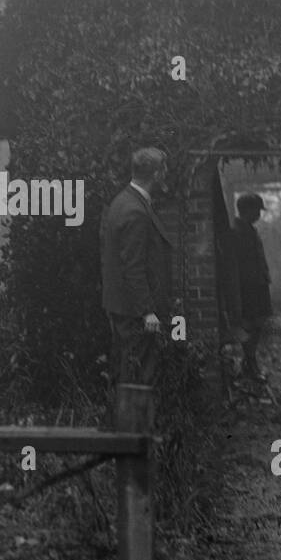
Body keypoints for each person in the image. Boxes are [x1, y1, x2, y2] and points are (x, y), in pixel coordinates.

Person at [100, 147, 173, 389]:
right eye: (164, 170)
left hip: (124, 307)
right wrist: (147, 311)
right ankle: (133, 426)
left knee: (125, 371)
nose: (166, 175)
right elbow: (133, 267)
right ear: (157, 174)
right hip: (134, 312)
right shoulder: (135, 211)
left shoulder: (123, 202)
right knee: (137, 377)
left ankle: (124, 422)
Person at [232, 192, 271, 381]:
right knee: (249, 324)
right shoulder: (236, 231)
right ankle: (250, 363)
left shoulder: (248, 229)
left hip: (258, 285)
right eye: (257, 210)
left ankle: (249, 361)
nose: (259, 215)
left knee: (258, 324)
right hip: (248, 288)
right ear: (247, 210)